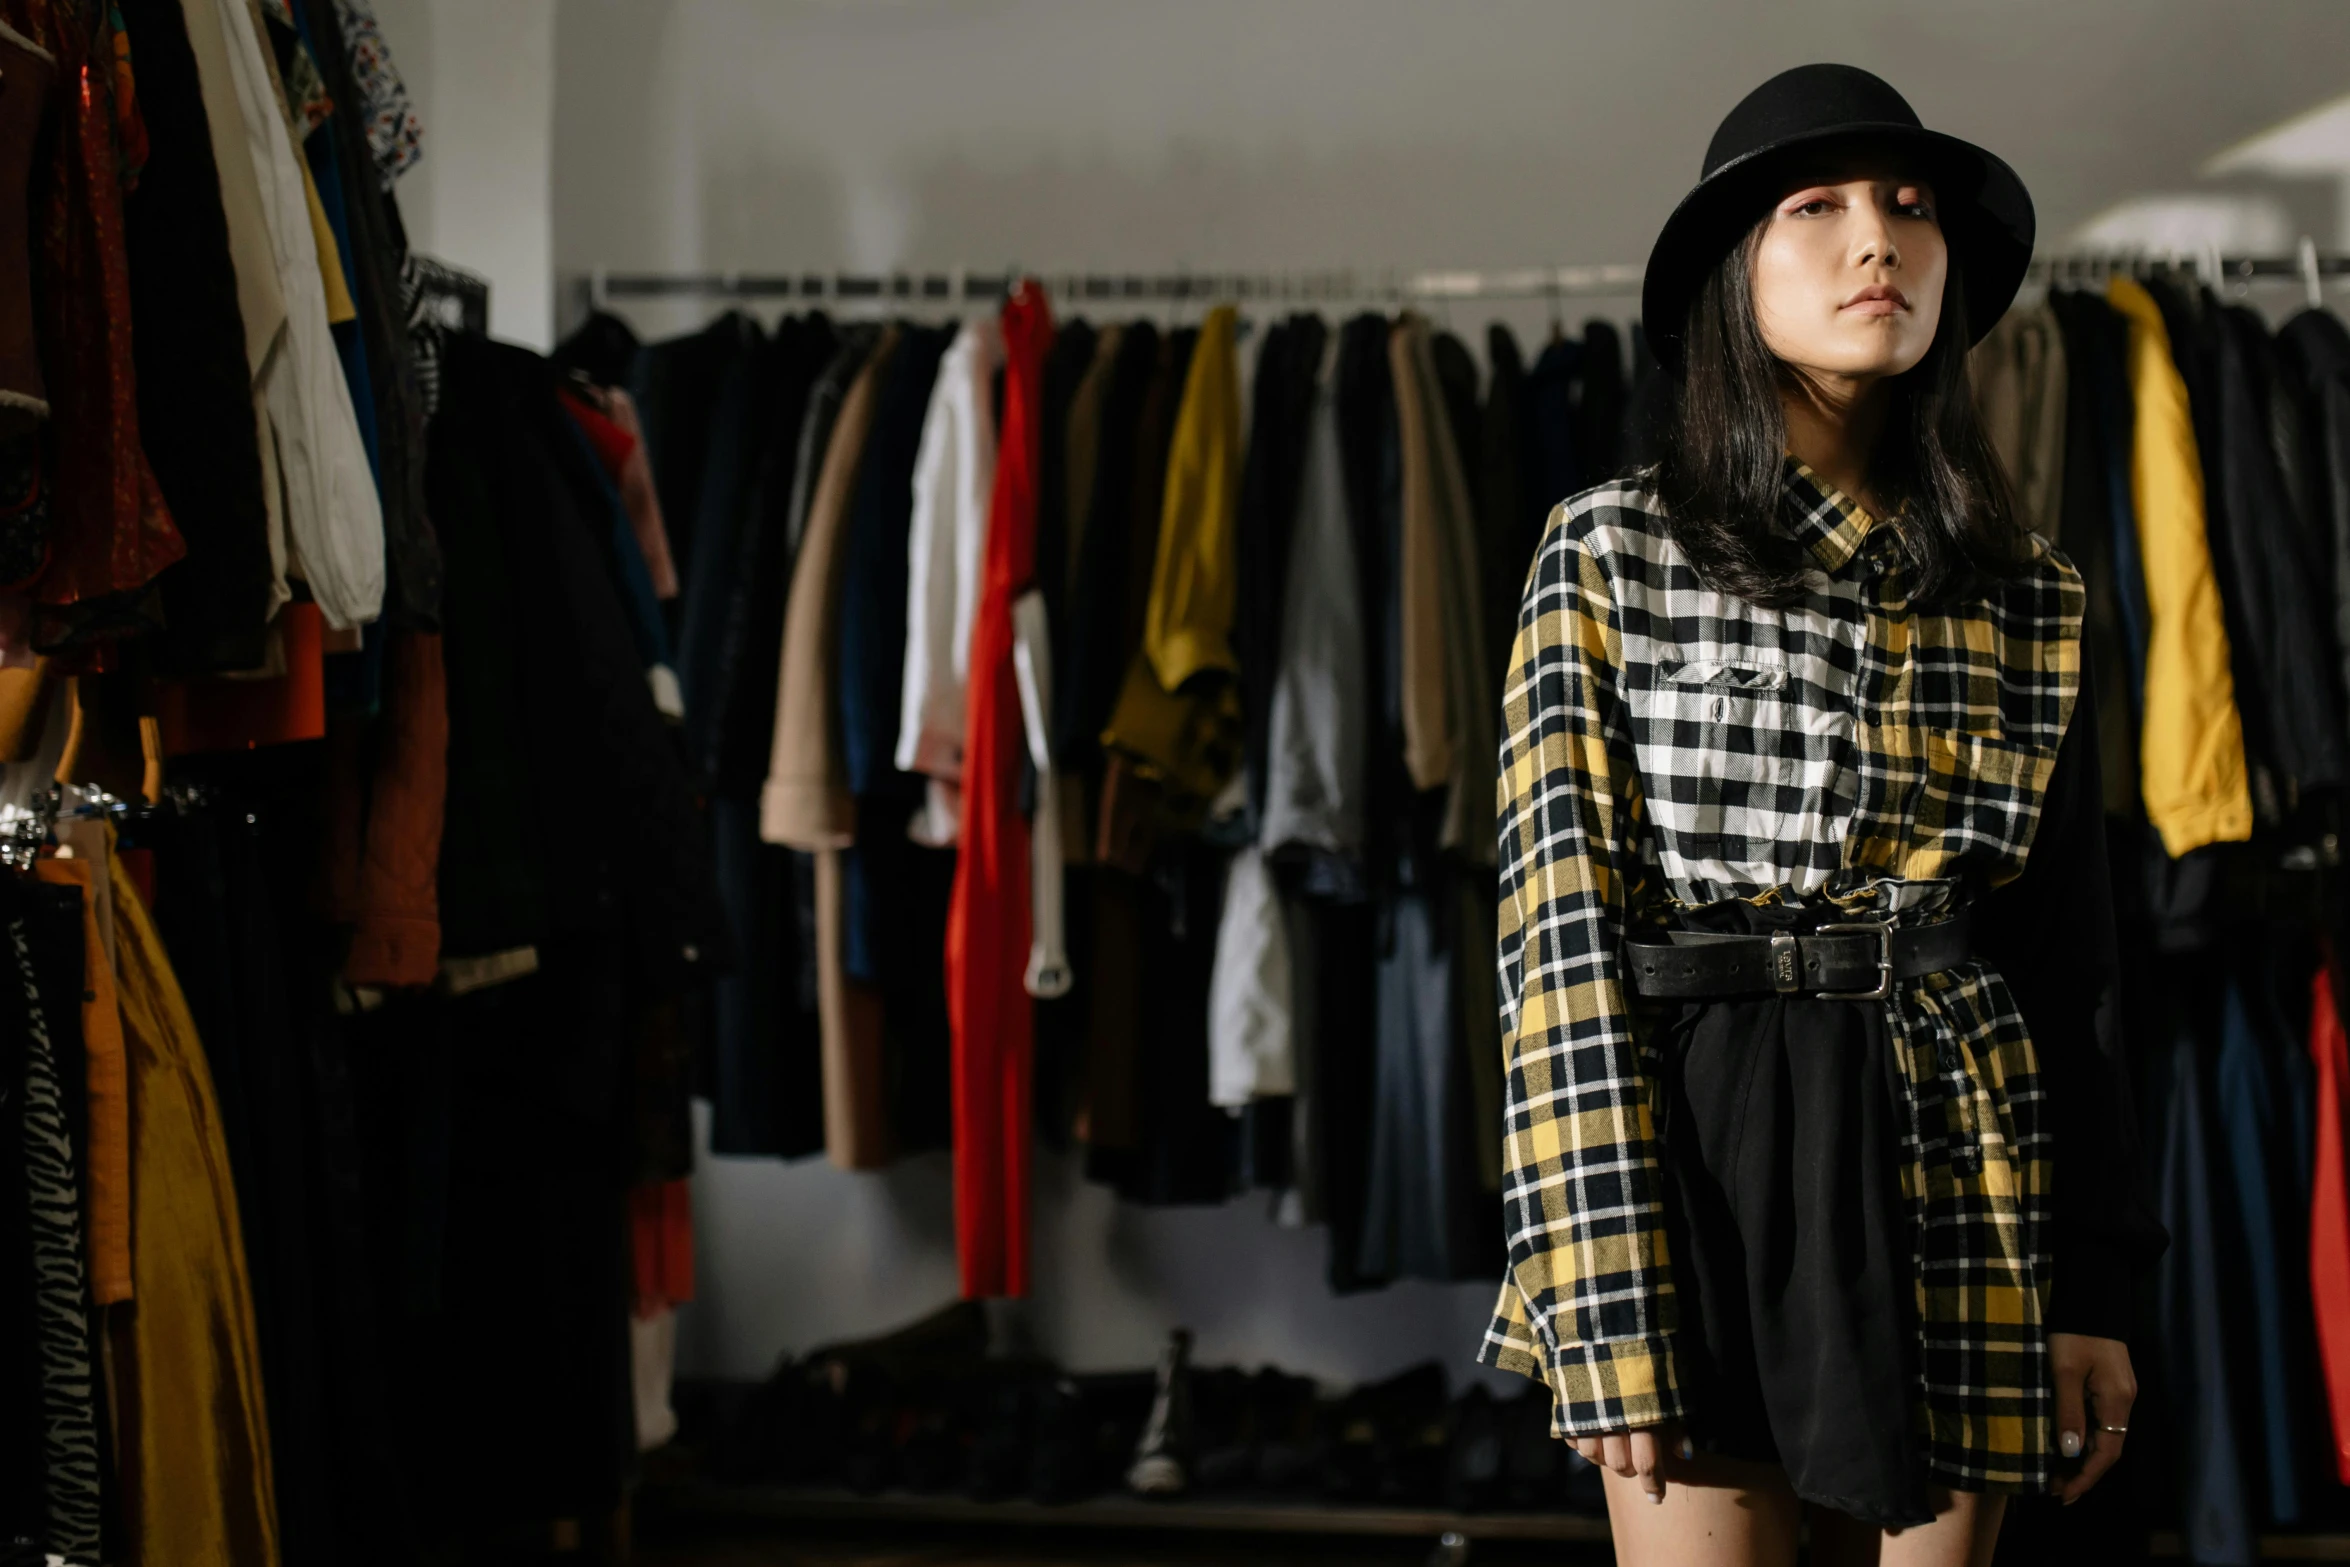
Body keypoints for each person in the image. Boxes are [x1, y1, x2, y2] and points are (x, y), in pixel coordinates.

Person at [1477, 64, 2166, 1567]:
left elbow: (2071, 959)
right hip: (1698, 1152)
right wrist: (1600, 1288)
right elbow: (1556, 953)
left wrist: (2098, 1283)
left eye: (1910, 210)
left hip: (1955, 1137)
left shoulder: (2026, 593)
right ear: (1733, 274)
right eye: (1820, 208)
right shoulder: (1608, 551)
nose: (1879, 242)